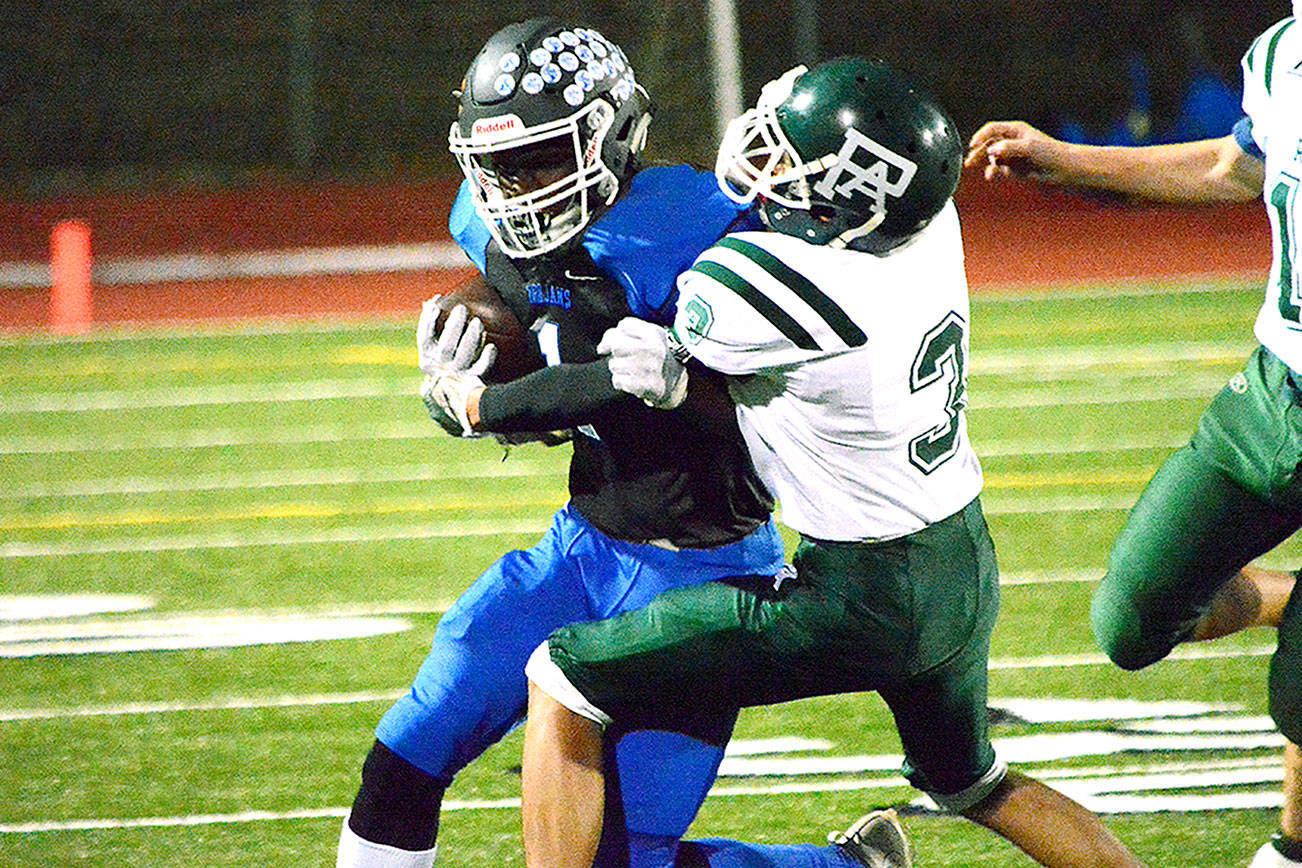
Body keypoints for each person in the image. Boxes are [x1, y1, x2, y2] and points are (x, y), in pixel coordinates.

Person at [521, 56, 1148, 868]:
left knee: (564, 676)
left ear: (846, 205)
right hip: (960, 558)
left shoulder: (757, 283)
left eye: (794, 161)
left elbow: (672, 346)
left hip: (857, 592)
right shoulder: (929, 223)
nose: (772, 163)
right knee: (972, 782)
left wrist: (665, 378)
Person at [335, 17, 792, 868]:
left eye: (541, 158)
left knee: (628, 860)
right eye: (497, 165)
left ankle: (848, 865)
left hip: (705, 573)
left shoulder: (700, 231)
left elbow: (759, 414)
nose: (515, 188)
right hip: (581, 550)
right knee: (405, 754)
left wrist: (497, 406)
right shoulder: (486, 226)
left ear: (614, 137)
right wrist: (468, 383)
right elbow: (556, 360)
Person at [964, 8, 1302, 868]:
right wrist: (1065, 158)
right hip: (1274, 390)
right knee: (1132, 617)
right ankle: (1291, 599)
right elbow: (1238, 165)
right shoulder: (1280, 52)